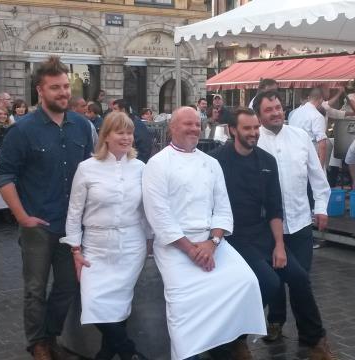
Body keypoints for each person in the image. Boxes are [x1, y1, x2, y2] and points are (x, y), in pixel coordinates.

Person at [210, 108, 335, 360]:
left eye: (256, 128)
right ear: (233, 130)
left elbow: (275, 207)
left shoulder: (267, 161)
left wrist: (279, 245)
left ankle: (315, 341)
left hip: (262, 234)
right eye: (247, 128)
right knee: (269, 282)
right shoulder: (215, 161)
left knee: (299, 277)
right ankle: (234, 340)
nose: (254, 133)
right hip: (232, 237)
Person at [142, 107, 266, 360]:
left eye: (197, 124)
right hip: (175, 247)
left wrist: (213, 242)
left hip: (212, 243)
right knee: (184, 307)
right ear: (172, 128)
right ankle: (189, 353)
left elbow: (222, 208)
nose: (194, 129)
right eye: (187, 124)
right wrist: (191, 249)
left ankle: (228, 342)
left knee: (246, 282)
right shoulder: (157, 164)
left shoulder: (211, 163)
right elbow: (159, 216)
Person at [0, 56, 93, 360]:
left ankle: (49, 336)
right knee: (35, 290)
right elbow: (4, 175)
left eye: (66, 86)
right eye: (55, 88)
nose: (63, 92)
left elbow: (95, 168)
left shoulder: (82, 126)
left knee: (67, 287)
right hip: (38, 225)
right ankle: (38, 345)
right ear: (40, 90)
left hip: (72, 226)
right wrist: (22, 217)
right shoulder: (22, 130)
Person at [61, 112, 150, 360]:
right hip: (96, 247)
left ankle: (109, 353)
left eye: (129, 132)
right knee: (95, 303)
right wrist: (75, 249)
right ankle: (128, 350)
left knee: (120, 307)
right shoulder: (87, 168)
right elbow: (74, 212)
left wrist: (151, 241)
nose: (126, 137)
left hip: (131, 246)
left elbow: (147, 210)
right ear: (106, 136)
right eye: (120, 132)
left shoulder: (141, 168)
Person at [253, 91, 330, 347]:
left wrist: (321, 207)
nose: (275, 112)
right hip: (266, 227)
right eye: (269, 109)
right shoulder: (254, 142)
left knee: (300, 280)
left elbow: (317, 176)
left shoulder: (300, 137)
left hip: (299, 222)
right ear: (259, 115)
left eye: (278, 107)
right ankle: (274, 322)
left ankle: (307, 333)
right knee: (274, 279)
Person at [288, 88, 328, 167]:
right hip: (310, 157)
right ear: (321, 100)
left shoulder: (295, 113)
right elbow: (322, 145)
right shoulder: (317, 116)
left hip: (293, 156)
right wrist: (321, 167)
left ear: (309, 98)